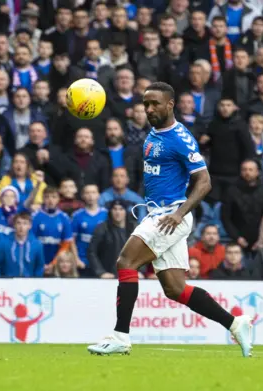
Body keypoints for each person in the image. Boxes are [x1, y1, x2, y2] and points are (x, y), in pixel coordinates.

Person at [87, 82, 253, 357]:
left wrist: (178, 214)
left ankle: (120, 337)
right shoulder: (153, 133)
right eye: (145, 104)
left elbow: (204, 182)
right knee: (175, 289)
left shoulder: (180, 138)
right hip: (158, 213)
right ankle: (236, 323)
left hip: (170, 215)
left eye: (155, 104)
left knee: (125, 262)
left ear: (170, 105)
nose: (149, 108)